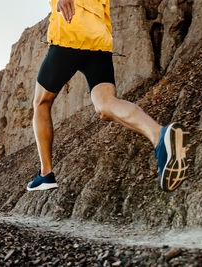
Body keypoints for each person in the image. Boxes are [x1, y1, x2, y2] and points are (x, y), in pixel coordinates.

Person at [27, 0, 189, 192]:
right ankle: (158, 135)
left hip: (71, 31)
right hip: (99, 39)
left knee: (41, 103)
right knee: (106, 104)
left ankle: (46, 173)